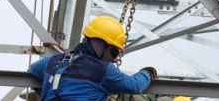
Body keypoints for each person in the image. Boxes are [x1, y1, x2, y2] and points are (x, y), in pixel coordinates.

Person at [29, 16, 158, 101]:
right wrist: (147, 73)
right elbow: (134, 86)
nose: (113, 59)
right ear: (103, 46)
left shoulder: (55, 61)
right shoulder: (104, 70)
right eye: (114, 53)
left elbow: (33, 70)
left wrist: (46, 92)